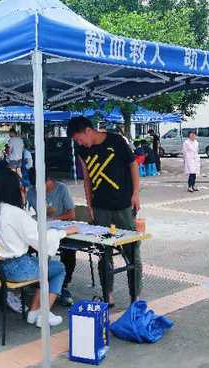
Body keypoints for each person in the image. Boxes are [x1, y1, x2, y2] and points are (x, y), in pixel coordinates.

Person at [67, 116, 141, 307]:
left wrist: (135, 193)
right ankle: (108, 295)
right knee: (104, 252)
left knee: (132, 251)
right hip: (100, 207)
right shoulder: (82, 150)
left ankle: (135, 297)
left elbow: (133, 165)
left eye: (79, 138)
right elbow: (87, 178)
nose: (79, 143)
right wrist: (89, 204)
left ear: (88, 131)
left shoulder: (116, 141)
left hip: (123, 204)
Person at [0, 168, 78, 327]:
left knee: (44, 266)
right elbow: (41, 240)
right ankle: (44, 314)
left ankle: (34, 312)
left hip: (2, 268)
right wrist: (63, 232)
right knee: (58, 269)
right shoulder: (16, 213)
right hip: (19, 269)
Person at [26, 168, 77, 307]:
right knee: (32, 249)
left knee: (69, 251)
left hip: (62, 230)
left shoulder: (61, 189)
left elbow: (71, 214)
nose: (38, 189)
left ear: (49, 180)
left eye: (41, 185)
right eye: (36, 186)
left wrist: (54, 218)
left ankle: (63, 285)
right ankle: (39, 281)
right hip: (40, 232)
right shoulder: (31, 192)